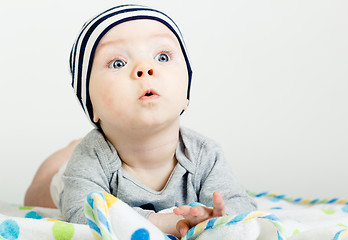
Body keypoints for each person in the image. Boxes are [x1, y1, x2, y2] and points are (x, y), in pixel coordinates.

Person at [26, 4, 257, 238]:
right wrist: (161, 222)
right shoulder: (90, 157)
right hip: (65, 178)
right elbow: (82, 214)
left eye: (162, 57)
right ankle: (68, 149)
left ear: (186, 95)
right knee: (35, 195)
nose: (145, 68)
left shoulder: (204, 155)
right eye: (118, 63)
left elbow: (240, 204)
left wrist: (217, 215)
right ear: (91, 106)